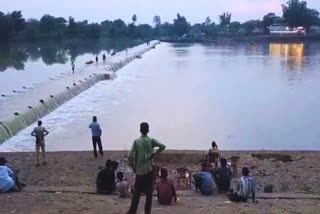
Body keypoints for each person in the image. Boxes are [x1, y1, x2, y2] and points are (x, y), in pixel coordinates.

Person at [127, 122, 166, 214]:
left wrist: (133, 166)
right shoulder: (151, 140)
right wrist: (154, 154)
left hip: (139, 171)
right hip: (149, 170)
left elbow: (129, 156)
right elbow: (163, 146)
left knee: (137, 193)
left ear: (140, 130)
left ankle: (132, 211)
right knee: (149, 194)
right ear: (148, 130)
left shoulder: (136, 142)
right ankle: (147, 212)